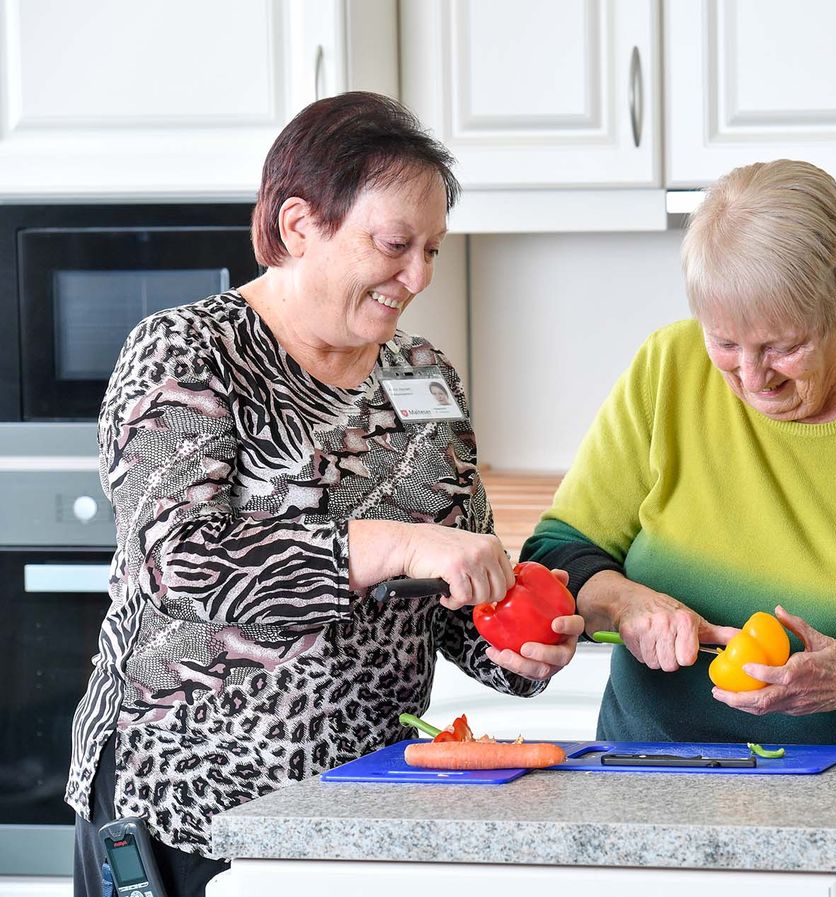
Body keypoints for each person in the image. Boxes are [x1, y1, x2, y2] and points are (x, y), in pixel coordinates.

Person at [67, 92, 584, 897]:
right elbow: (182, 563)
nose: (416, 276)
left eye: (432, 250)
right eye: (393, 244)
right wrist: (393, 542)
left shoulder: (424, 376)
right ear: (300, 223)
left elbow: (452, 596)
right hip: (189, 806)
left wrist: (517, 647)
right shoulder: (186, 351)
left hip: (359, 814)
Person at [522, 159, 836, 747]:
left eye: (783, 346)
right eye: (723, 342)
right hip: (653, 774)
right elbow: (559, 552)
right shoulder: (666, 369)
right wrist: (626, 604)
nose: (751, 378)